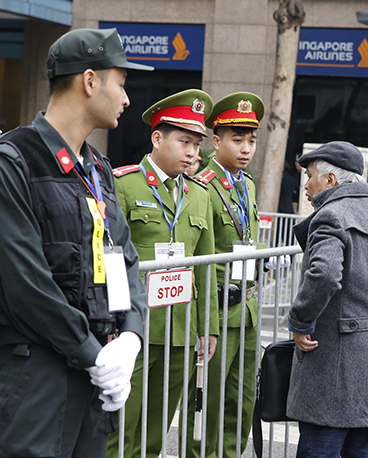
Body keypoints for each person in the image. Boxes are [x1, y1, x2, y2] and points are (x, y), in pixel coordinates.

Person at [0, 28, 153, 458]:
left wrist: (130, 337)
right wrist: (95, 355)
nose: (126, 99)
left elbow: (124, 256)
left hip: (92, 380)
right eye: (121, 83)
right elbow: (25, 283)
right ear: (91, 81)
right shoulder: (11, 163)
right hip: (34, 380)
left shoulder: (98, 169)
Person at [108, 89, 219, 458]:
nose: (193, 153)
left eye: (197, 144)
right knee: (120, 426)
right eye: (184, 141)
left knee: (156, 429)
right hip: (134, 328)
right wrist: (110, 323)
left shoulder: (200, 193)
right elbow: (109, 261)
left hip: (181, 330)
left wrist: (209, 326)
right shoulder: (124, 185)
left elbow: (206, 266)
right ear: (157, 138)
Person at [287, 141, 368, 458]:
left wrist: (299, 322)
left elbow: (323, 276)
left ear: (331, 181)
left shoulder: (331, 216)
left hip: (335, 358)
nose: (306, 185)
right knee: (360, 449)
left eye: (310, 175)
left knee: (320, 445)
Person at [185, 92, 265, 458]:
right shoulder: (201, 186)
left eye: (250, 140)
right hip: (219, 307)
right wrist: (207, 322)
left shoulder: (246, 185)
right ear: (215, 141)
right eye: (237, 139)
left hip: (247, 308)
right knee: (207, 400)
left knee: (243, 400)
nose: (246, 148)